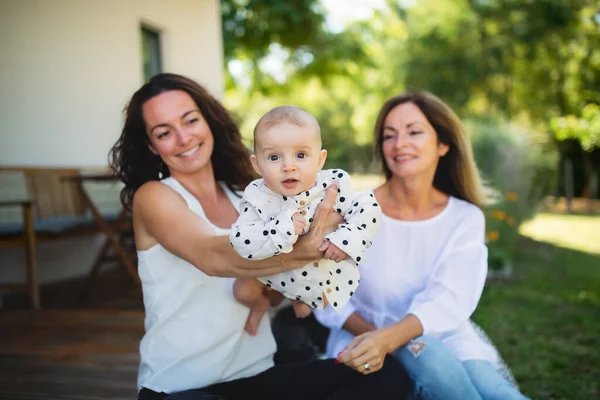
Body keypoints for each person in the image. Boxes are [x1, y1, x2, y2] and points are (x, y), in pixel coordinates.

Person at [109, 73, 411, 400]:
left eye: (191, 120)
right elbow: (213, 256)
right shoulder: (154, 196)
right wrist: (307, 249)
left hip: (257, 376)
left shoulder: (248, 197)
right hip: (180, 387)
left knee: (386, 377)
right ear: (152, 146)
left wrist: (273, 287)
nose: (183, 138)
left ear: (208, 122)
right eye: (164, 132)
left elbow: (276, 290)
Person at [315, 91, 530, 400]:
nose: (400, 143)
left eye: (414, 132)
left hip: (445, 334)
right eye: (389, 136)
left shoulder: (464, 217)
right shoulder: (353, 210)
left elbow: (449, 298)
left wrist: (391, 338)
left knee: (500, 394)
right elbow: (327, 292)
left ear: (443, 144)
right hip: (363, 337)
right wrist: (378, 341)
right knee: (432, 361)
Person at [230, 105, 381, 336]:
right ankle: (261, 307)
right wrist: (280, 229)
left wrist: (346, 239)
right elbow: (241, 240)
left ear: (320, 160)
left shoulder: (333, 183)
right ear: (256, 165)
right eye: (274, 157)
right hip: (275, 268)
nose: (288, 166)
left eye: (301, 155)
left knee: (318, 299)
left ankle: (301, 300)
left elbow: (368, 207)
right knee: (241, 291)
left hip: (319, 267)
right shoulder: (257, 196)